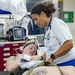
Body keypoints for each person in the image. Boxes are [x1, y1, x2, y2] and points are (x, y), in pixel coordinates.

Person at [30, 2, 75, 66]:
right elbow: (52, 49)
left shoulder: (57, 24)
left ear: (42, 14)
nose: (35, 23)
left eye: (36, 19)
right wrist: (42, 57)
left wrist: (52, 57)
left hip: (67, 63)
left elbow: (69, 44)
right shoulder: (48, 28)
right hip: (57, 64)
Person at [6, 39, 75, 75]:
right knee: (51, 71)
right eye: (31, 48)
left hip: (44, 65)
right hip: (27, 71)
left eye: (35, 51)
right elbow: (10, 68)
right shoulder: (14, 58)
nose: (33, 50)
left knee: (71, 69)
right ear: (23, 48)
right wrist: (26, 57)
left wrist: (40, 57)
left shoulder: (37, 58)